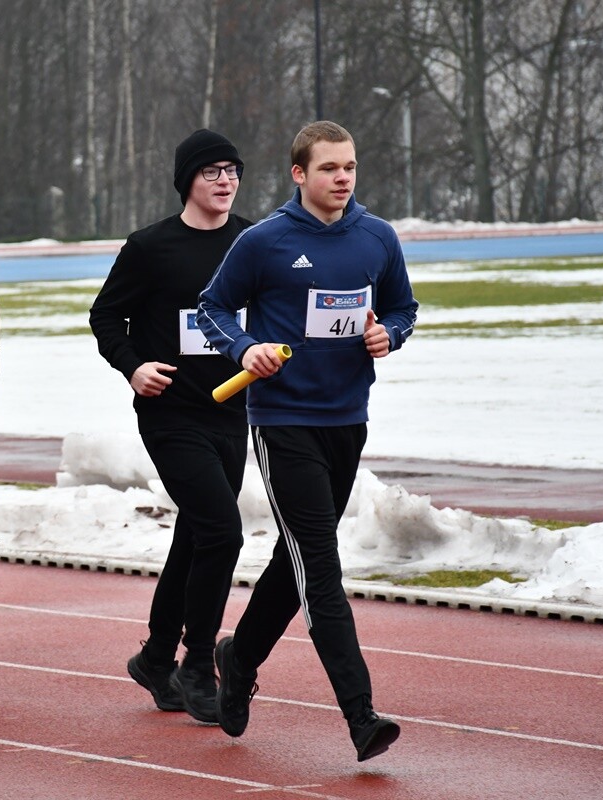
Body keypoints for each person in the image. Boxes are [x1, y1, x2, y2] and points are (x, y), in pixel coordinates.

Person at [197, 120, 417, 762]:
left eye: (349, 166)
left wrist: (389, 336)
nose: (343, 177)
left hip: (348, 420)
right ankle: (361, 715)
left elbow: (403, 307)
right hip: (282, 421)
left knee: (295, 564)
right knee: (319, 565)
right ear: (299, 174)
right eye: (329, 168)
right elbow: (212, 308)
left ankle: (238, 657)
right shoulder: (264, 242)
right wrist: (246, 347)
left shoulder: (377, 237)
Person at [89, 129, 252, 724]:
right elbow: (106, 315)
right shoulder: (151, 246)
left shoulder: (251, 241)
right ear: (188, 180)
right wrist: (133, 366)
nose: (226, 181)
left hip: (233, 410)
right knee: (222, 530)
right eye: (212, 171)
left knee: (197, 535)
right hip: (171, 414)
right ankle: (197, 664)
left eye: (232, 170)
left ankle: (155, 659)